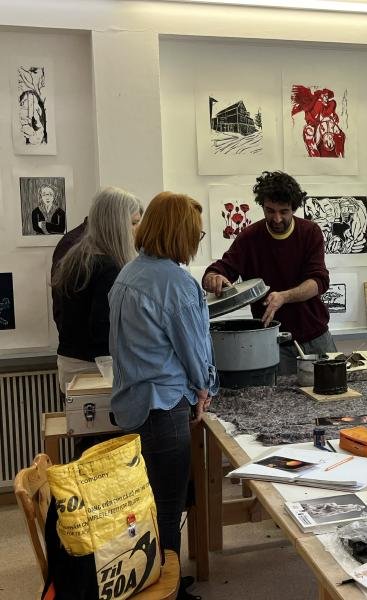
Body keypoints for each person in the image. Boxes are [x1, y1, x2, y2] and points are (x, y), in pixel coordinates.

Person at [109, 192, 217, 600]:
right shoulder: (175, 282)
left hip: (132, 406)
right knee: (168, 506)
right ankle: (166, 590)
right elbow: (194, 349)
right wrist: (205, 389)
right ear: (180, 233)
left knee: (149, 504)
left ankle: (154, 575)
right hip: (164, 407)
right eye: (196, 233)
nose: (196, 241)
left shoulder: (129, 273)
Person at [203, 171, 336, 375]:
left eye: (284, 211)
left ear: (294, 208)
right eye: (270, 210)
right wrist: (213, 277)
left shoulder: (310, 232)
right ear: (262, 205)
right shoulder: (249, 237)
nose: (276, 218)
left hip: (315, 338)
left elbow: (318, 281)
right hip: (272, 343)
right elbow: (222, 268)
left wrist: (284, 296)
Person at [51, 187, 141, 393]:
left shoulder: (76, 256)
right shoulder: (108, 266)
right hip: (94, 371)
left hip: (70, 364)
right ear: (116, 224)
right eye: (134, 223)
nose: (138, 229)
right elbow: (104, 330)